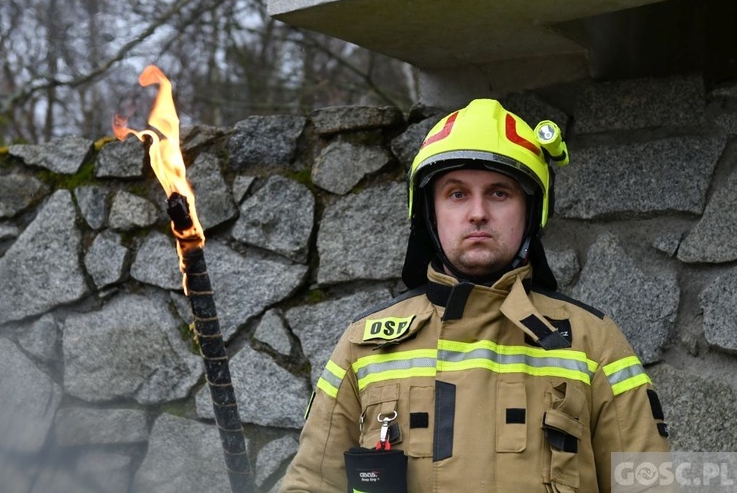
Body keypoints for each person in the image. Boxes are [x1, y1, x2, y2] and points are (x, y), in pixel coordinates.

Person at [279, 99, 669, 492]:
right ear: (429, 212)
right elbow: (312, 483)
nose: (478, 212)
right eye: (457, 194)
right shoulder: (362, 345)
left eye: (499, 193)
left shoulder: (594, 343)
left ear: (532, 211)